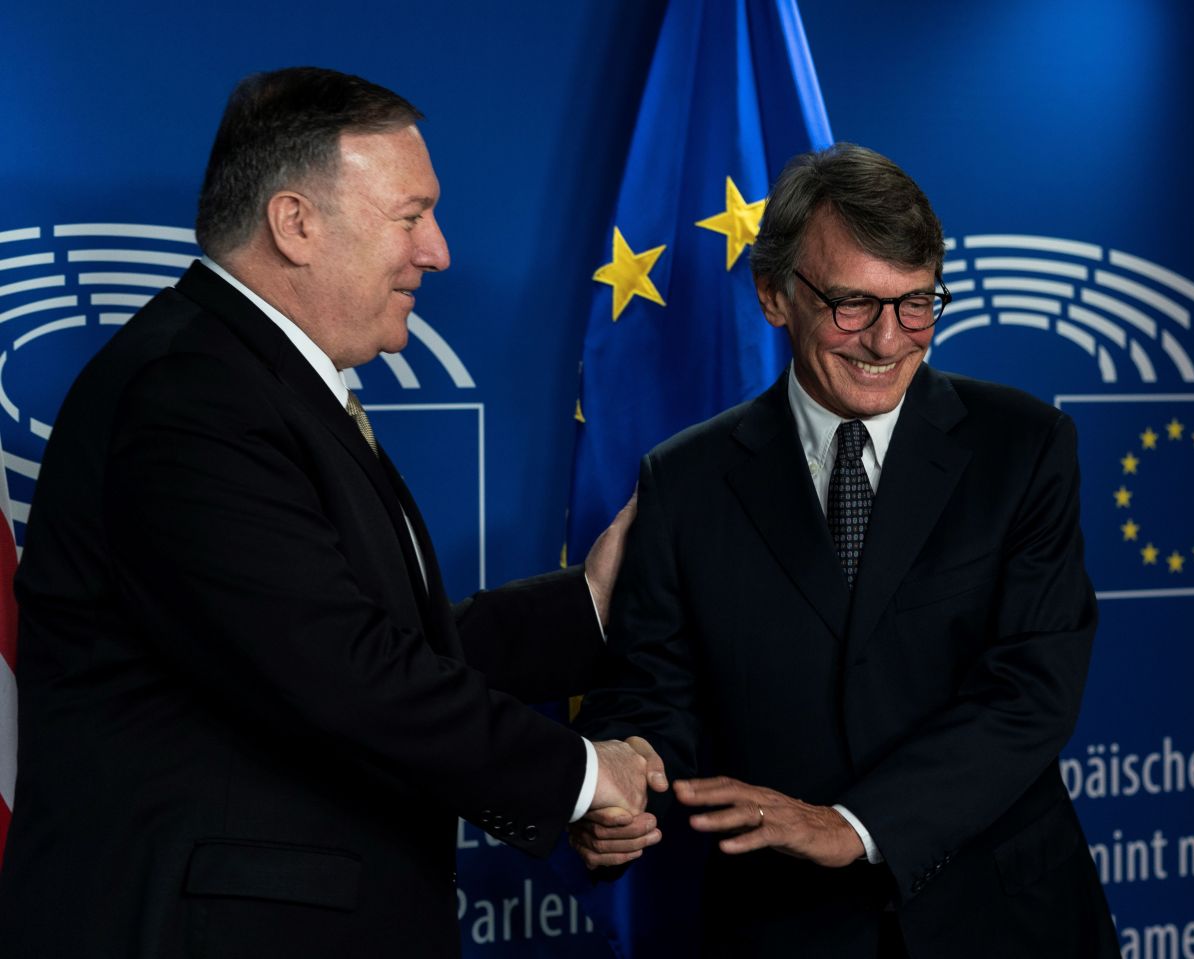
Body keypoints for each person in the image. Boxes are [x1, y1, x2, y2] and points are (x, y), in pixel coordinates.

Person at [0, 67, 663, 958]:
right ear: (295, 223)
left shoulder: (257, 382)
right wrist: (585, 774)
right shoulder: (189, 395)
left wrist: (586, 605)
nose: (439, 251)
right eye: (410, 216)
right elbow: (343, 674)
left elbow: (352, 646)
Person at [571, 143, 1120, 957]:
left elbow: (1031, 690)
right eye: (853, 304)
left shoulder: (1025, 446)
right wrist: (623, 789)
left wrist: (854, 825)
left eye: (916, 304)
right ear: (773, 293)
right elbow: (655, 697)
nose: (887, 341)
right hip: (784, 927)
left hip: (1003, 919)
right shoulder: (685, 479)